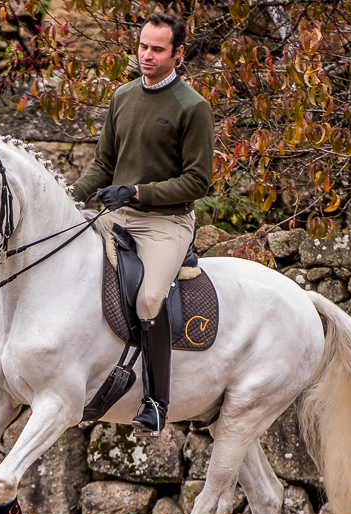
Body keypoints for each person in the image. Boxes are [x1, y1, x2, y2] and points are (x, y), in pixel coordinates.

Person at [71, 11, 214, 435]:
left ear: (178, 53)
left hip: (164, 224)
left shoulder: (193, 107)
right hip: (116, 215)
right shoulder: (123, 96)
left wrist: (136, 192)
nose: (146, 56)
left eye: (157, 49)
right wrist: (69, 198)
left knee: (150, 300)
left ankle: (156, 402)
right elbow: (102, 165)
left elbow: (197, 181)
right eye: (142, 47)